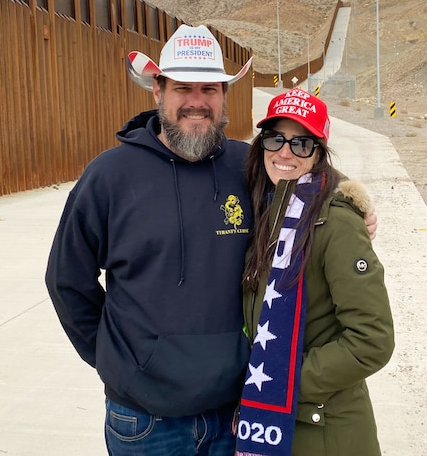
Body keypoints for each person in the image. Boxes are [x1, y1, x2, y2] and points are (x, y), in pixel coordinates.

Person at [45, 24, 376, 456]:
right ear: (157, 91)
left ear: (224, 97)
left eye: (210, 89)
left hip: (236, 412)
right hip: (146, 422)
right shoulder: (109, 176)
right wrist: (118, 362)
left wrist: (351, 198)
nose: (197, 102)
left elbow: (305, 172)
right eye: (183, 88)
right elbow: (67, 282)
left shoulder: (249, 165)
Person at [236, 89, 395, 456]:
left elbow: (372, 340)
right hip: (275, 422)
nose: (285, 152)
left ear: (319, 152)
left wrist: (283, 380)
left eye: (302, 143)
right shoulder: (268, 210)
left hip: (325, 429)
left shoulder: (337, 221)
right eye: (276, 139)